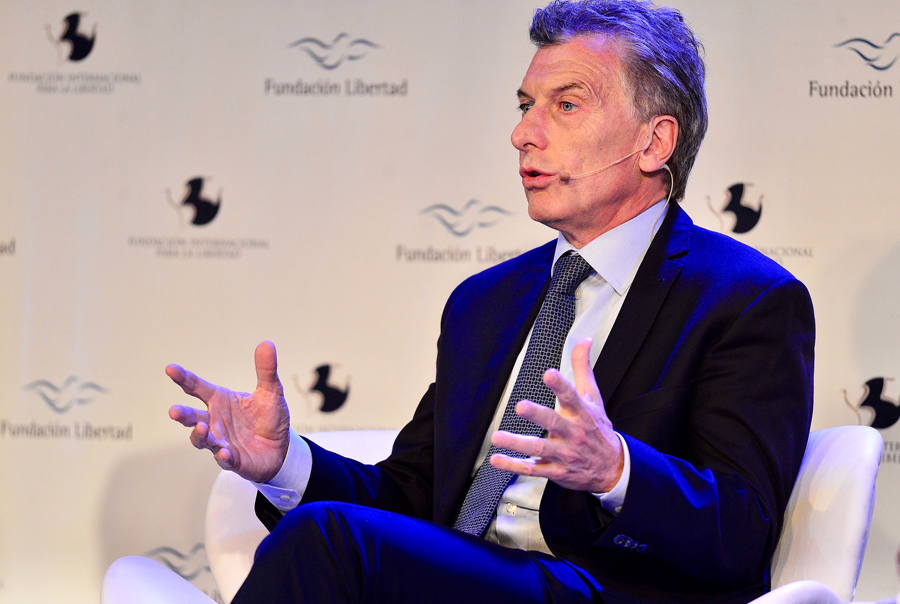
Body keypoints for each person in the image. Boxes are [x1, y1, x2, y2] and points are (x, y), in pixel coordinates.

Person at [167, 1, 814, 602]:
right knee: (328, 536)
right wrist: (285, 464)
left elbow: (743, 533)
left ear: (654, 142)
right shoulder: (484, 302)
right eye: (526, 105)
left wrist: (616, 469)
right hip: (465, 579)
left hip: (600, 588)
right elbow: (410, 500)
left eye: (566, 105)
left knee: (329, 539)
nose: (523, 133)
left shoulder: (745, 300)